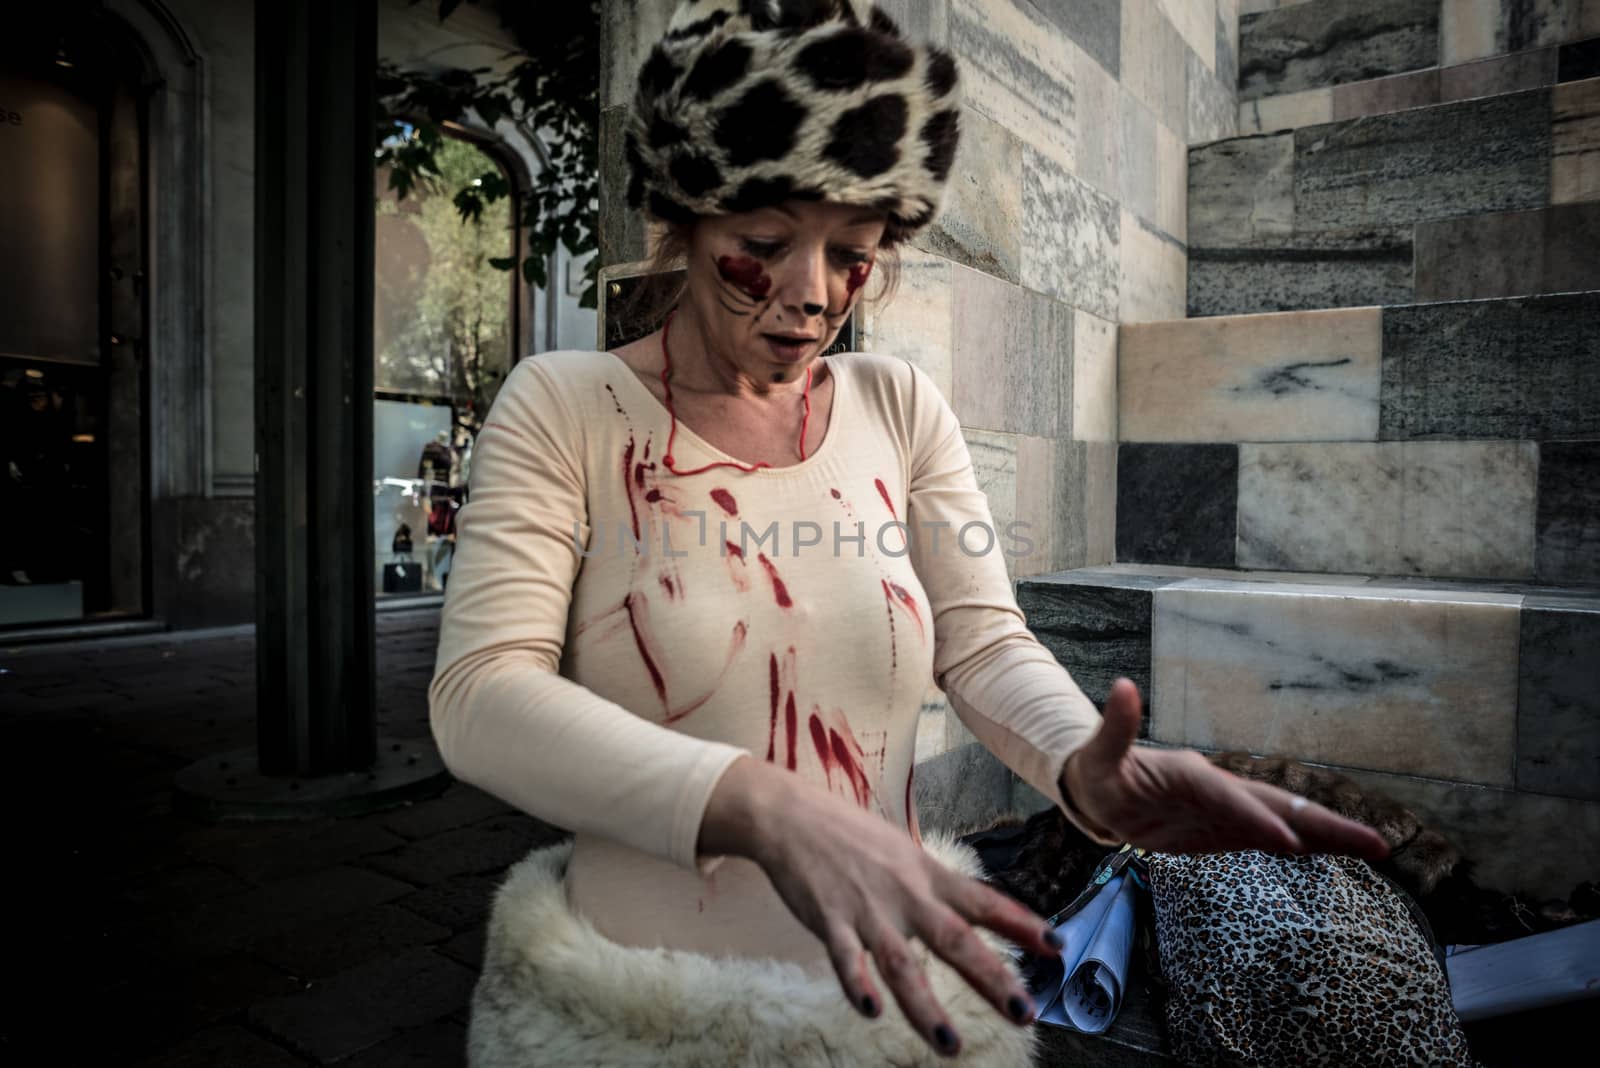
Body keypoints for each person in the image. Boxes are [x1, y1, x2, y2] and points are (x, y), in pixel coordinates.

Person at [427, 2, 1389, 1063]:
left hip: (897, 1017)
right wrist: (751, 804)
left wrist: (1083, 767)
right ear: (685, 220)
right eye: (763, 245)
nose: (811, 296)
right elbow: (481, 695)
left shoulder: (896, 407)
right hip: (622, 1020)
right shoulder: (565, 408)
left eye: (853, 253)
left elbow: (978, 641)